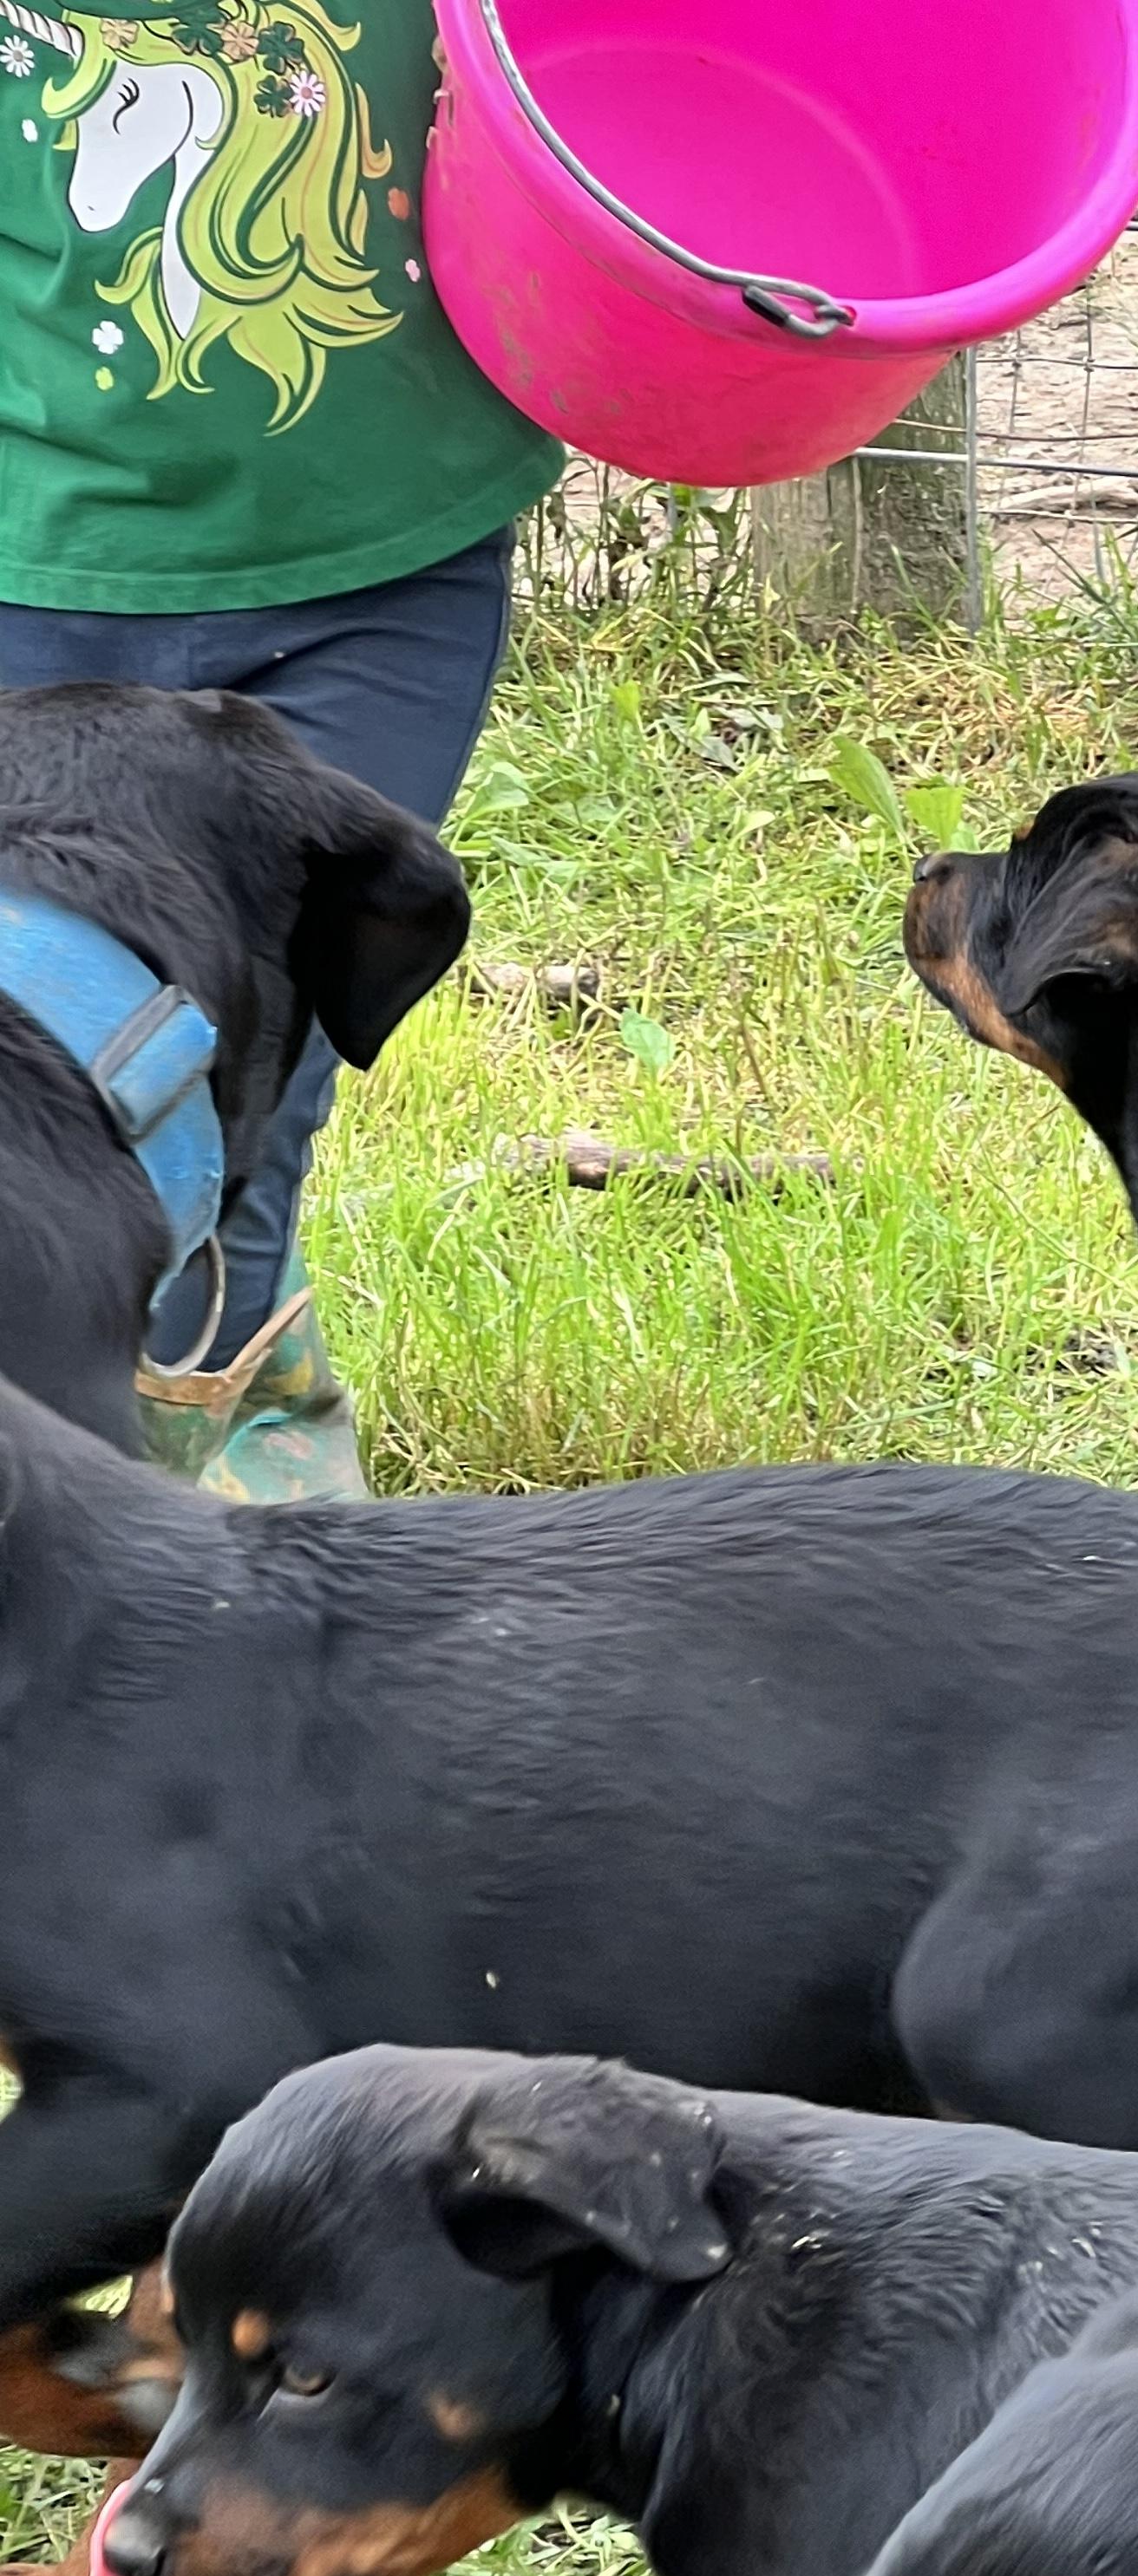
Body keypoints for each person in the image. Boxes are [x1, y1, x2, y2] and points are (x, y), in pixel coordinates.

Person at [0, 0, 560, 1495]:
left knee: (248, 1090)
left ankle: (207, 1523)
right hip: (31, 555)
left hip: (383, 566)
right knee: (32, 1077)